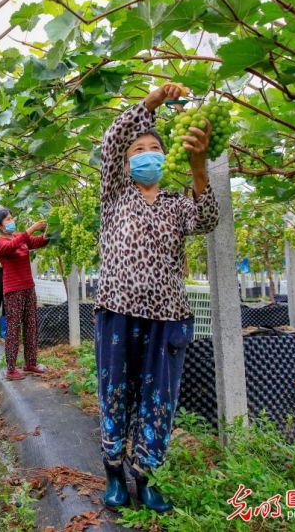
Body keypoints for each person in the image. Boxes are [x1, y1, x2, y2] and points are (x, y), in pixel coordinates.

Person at [95, 84, 219, 513]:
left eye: (155, 148)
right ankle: (113, 473)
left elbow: (207, 220)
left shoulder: (176, 204)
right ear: (126, 164)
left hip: (168, 316)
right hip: (117, 311)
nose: (147, 153)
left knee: (159, 401)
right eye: (139, 149)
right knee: (115, 393)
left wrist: (199, 167)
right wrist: (149, 105)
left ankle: (146, 477)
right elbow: (113, 140)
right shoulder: (113, 197)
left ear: (164, 159)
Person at [0, 208, 49, 380]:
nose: (11, 220)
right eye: (8, 219)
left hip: (28, 287)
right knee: (14, 328)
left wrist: (47, 234)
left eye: (11, 217)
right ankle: (10, 369)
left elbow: (36, 242)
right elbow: (12, 246)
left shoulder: (18, 235)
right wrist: (30, 229)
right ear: (0, 226)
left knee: (31, 325)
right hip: (13, 290)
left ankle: (30, 363)